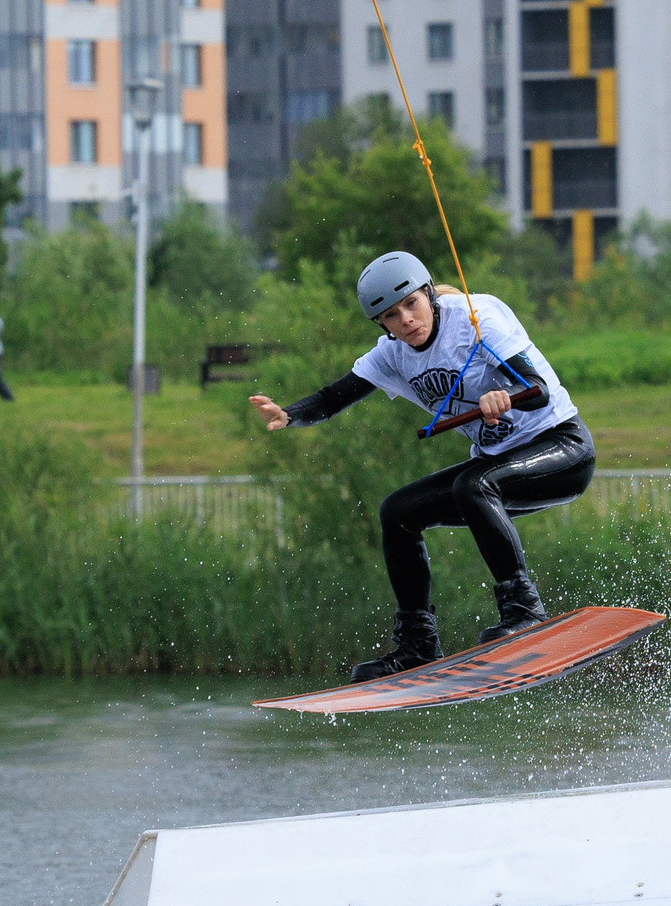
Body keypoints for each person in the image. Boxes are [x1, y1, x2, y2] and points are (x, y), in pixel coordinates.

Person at [248, 251, 594, 681]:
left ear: (428, 293)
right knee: (399, 513)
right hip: (497, 466)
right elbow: (334, 397)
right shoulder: (391, 354)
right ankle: (418, 645)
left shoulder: (474, 317)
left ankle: (525, 611)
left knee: (473, 485)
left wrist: (502, 394)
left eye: (411, 304)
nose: (406, 320)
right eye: (391, 316)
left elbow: (538, 390)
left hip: (562, 448)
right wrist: (290, 414)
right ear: (382, 324)